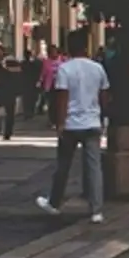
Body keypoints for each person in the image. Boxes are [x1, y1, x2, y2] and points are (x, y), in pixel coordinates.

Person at [36, 28, 108, 223]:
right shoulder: (97, 68)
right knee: (94, 167)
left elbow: (62, 98)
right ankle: (97, 210)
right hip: (92, 121)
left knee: (63, 165)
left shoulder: (65, 69)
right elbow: (104, 96)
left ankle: (55, 202)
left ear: (69, 47)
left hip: (71, 124)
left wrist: (60, 123)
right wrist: (103, 118)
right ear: (86, 46)